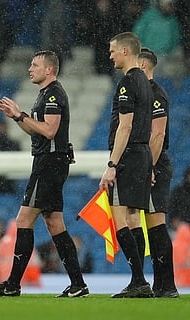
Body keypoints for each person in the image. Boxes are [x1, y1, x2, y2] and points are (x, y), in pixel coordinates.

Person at [0, 50, 88, 298]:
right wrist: (16, 118)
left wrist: (21, 114)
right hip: (51, 162)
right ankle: (78, 284)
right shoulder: (45, 94)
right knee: (54, 224)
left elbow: (50, 131)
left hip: (49, 164)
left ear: (49, 69)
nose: (30, 68)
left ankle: (12, 284)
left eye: (35, 65)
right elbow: (38, 132)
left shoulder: (53, 94)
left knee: (23, 221)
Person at [99, 32, 154, 298]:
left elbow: (126, 125)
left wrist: (112, 164)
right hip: (142, 154)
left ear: (124, 51)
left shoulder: (127, 83)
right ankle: (139, 282)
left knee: (118, 216)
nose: (110, 56)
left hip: (129, 156)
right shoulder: (145, 80)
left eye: (112, 51)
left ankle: (139, 280)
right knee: (134, 218)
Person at [135, 47, 179, 298]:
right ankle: (161, 285)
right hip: (148, 163)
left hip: (155, 164)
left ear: (142, 66)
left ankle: (167, 285)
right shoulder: (143, 94)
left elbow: (158, 134)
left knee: (156, 224)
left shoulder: (155, 94)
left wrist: (147, 166)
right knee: (152, 226)